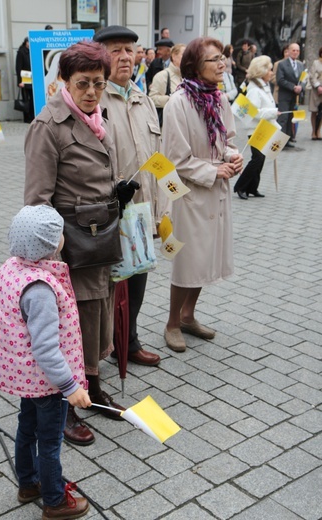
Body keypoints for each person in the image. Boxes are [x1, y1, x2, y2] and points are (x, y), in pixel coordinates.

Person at [24, 41, 136, 447]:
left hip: (101, 240)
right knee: (73, 326)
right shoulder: (48, 126)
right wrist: (48, 263)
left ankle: (93, 386)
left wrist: (116, 195)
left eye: (99, 84)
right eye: (83, 83)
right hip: (69, 247)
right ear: (64, 82)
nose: (92, 92)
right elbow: (36, 201)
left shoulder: (96, 119)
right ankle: (65, 406)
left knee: (100, 317)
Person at [0, 205, 91, 519]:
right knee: (49, 442)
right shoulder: (40, 289)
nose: (63, 236)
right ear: (49, 245)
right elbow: (46, 349)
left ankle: (28, 483)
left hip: (27, 378)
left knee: (26, 429)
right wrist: (70, 386)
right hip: (48, 382)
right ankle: (54, 500)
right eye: (59, 232)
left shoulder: (12, 267)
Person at [161, 37, 243, 352]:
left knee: (206, 256)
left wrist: (233, 156)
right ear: (195, 66)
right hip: (189, 195)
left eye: (223, 57)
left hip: (216, 193)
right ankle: (171, 323)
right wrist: (213, 171)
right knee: (188, 260)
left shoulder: (218, 99)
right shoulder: (178, 103)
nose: (222, 64)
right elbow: (174, 159)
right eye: (214, 59)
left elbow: (228, 140)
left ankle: (188, 315)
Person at [93, 25, 167, 367]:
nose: (125, 56)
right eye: (116, 50)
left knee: (138, 278)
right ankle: (99, 352)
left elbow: (158, 157)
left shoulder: (143, 99)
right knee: (105, 288)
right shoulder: (93, 100)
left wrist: (163, 208)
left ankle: (129, 340)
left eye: (130, 50)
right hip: (107, 212)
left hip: (140, 210)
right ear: (100, 56)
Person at [233, 56, 278, 200]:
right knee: (257, 159)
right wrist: (273, 112)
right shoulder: (254, 89)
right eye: (270, 70)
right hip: (255, 129)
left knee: (261, 158)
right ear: (262, 71)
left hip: (264, 127)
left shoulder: (263, 85)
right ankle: (240, 186)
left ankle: (252, 188)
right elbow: (253, 111)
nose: (271, 73)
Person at [149, 43, 186, 126]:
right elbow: (152, 99)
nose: (187, 58)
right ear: (174, 56)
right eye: (183, 55)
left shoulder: (187, 77)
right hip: (168, 126)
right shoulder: (162, 76)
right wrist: (171, 99)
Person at [276, 42, 304, 148]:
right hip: (285, 95)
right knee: (283, 118)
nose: (295, 52)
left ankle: (287, 140)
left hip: (294, 97)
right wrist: (293, 87)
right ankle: (279, 141)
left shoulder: (300, 64)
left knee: (290, 118)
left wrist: (301, 87)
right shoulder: (282, 64)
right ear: (289, 51)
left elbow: (303, 78)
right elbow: (280, 80)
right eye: (294, 50)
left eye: (297, 51)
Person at [15, 37, 35, 123]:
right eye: (28, 42)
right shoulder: (21, 52)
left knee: (32, 98)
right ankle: (27, 118)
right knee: (26, 99)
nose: (29, 44)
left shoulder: (33, 51)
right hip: (24, 79)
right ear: (25, 42)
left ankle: (32, 116)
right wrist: (20, 81)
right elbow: (18, 67)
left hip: (32, 79)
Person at [308, 46, 322, 140]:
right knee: (314, 111)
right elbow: (312, 76)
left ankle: (318, 131)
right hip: (316, 90)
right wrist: (318, 86)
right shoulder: (316, 63)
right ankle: (313, 131)